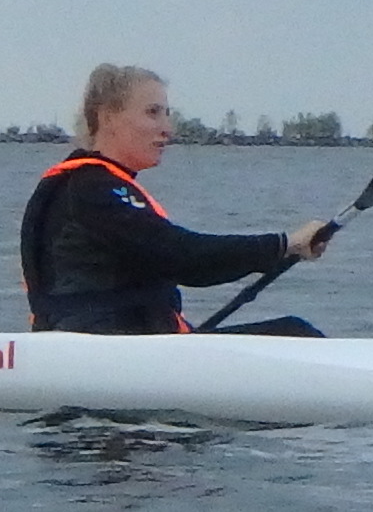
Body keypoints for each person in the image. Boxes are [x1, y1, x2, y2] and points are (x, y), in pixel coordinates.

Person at [18, 63, 329, 335]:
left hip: (125, 346)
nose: (167, 129)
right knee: (297, 333)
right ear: (108, 117)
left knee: (291, 329)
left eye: (167, 114)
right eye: (153, 113)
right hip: (109, 351)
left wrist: (280, 250)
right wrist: (284, 244)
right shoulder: (92, 189)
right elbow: (186, 258)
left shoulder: (86, 184)